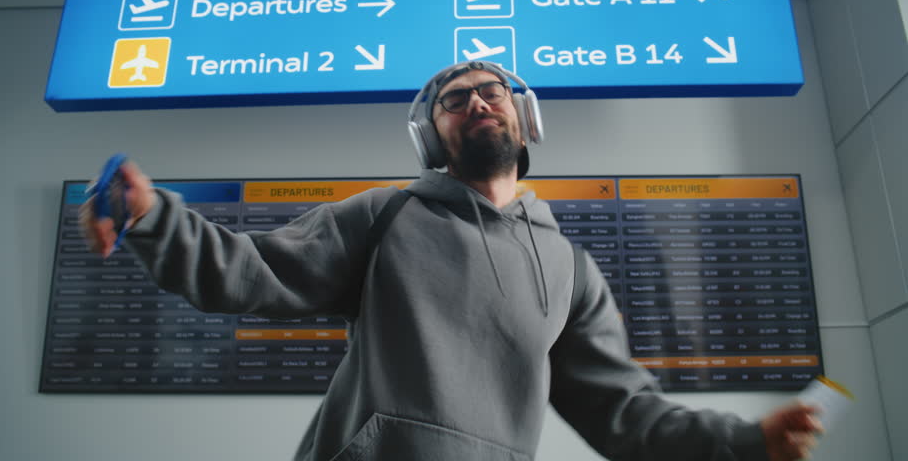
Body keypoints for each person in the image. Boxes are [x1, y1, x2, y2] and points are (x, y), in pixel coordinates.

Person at [82, 61, 823, 461]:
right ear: (432, 137)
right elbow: (249, 271)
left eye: (491, 90)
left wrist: (741, 441)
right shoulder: (384, 215)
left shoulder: (571, 272)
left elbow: (624, 416)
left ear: (524, 118)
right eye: (454, 99)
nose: (475, 102)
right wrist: (153, 214)